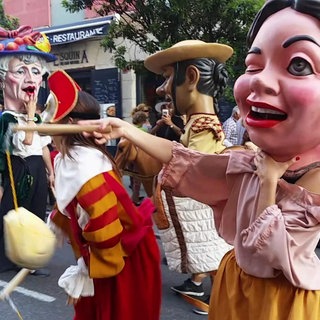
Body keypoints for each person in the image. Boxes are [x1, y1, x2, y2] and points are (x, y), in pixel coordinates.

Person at [80, 1, 320, 318]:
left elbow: (265, 254)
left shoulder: (302, 177)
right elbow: (189, 161)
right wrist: (126, 129)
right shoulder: (255, 161)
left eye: (298, 65)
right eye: (253, 66)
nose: (261, 80)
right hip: (237, 286)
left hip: (281, 303)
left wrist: (268, 180)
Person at [44, 70, 161, 320]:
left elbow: (105, 226)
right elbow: (71, 205)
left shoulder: (86, 164)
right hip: (104, 254)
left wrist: (84, 273)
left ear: (69, 125)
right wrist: (57, 222)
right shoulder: (69, 158)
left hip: (120, 257)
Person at [144, 39, 234, 315]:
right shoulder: (198, 121)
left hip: (205, 217)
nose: (161, 89)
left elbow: (191, 169)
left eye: (169, 77)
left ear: (191, 77)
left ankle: (219, 302)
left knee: (218, 265)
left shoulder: (205, 125)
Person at [0, 26, 56, 275]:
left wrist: (50, 171)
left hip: (36, 167)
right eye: (21, 70)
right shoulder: (8, 117)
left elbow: (41, 144)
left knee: (35, 213)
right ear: (3, 78)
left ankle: (29, 261)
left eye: (35, 71)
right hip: (16, 170)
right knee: (12, 215)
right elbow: (25, 141)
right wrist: (33, 115)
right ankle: (7, 259)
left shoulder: (34, 116)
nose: (31, 78)